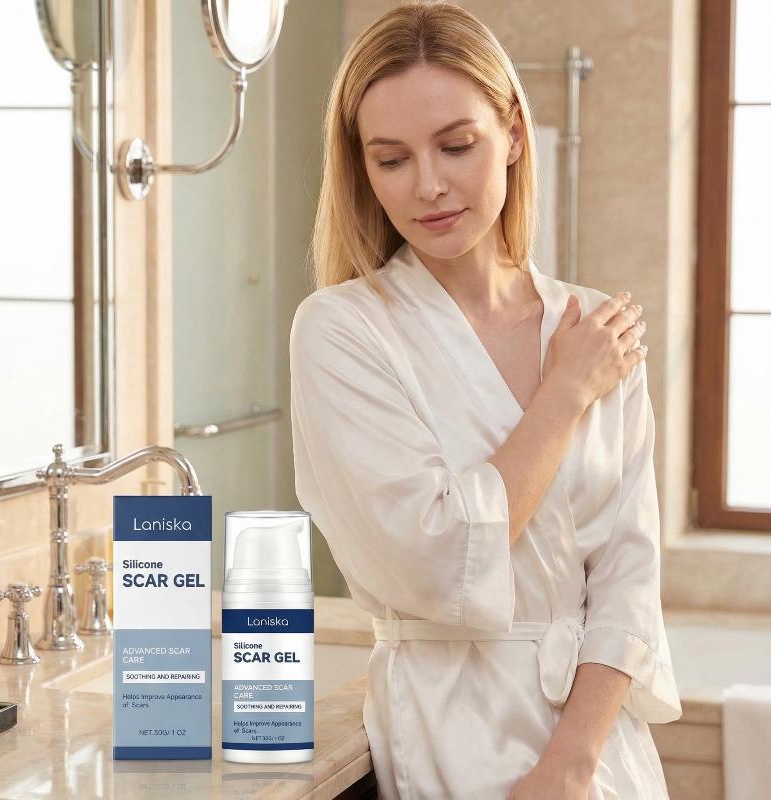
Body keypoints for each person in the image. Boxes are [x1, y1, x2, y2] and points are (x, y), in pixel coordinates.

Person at [289, 2, 682, 798]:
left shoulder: (592, 325)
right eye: (391, 159)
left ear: (514, 133)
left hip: (603, 756)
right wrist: (564, 392)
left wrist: (572, 765)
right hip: (455, 739)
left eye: (457, 145)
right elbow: (435, 560)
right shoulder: (344, 330)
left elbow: (630, 576)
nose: (428, 185)